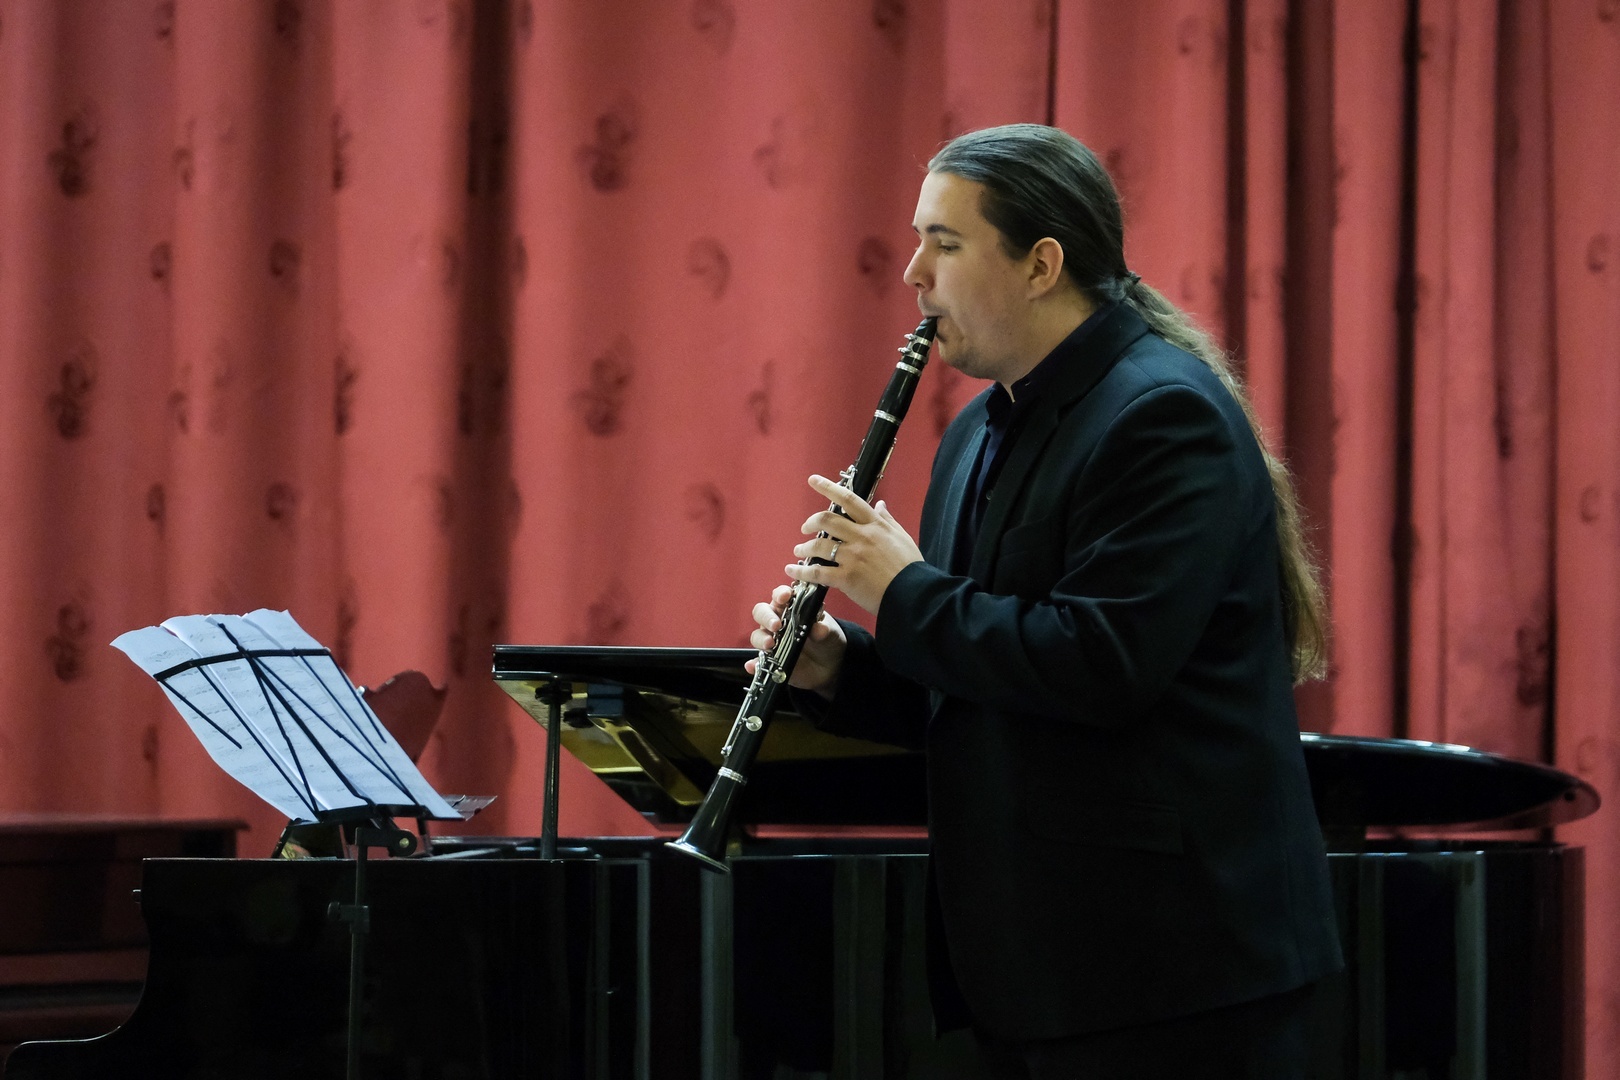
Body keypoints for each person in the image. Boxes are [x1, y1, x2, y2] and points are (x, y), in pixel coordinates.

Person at [749, 124, 1343, 1078]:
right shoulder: (976, 432)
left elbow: (1103, 665)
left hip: (1173, 974)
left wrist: (902, 591)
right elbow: (990, 696)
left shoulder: (1161, 415)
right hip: (1034, 967)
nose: (913, 273)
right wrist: (844, 669)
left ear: (1041, 265)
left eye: (945, 243)